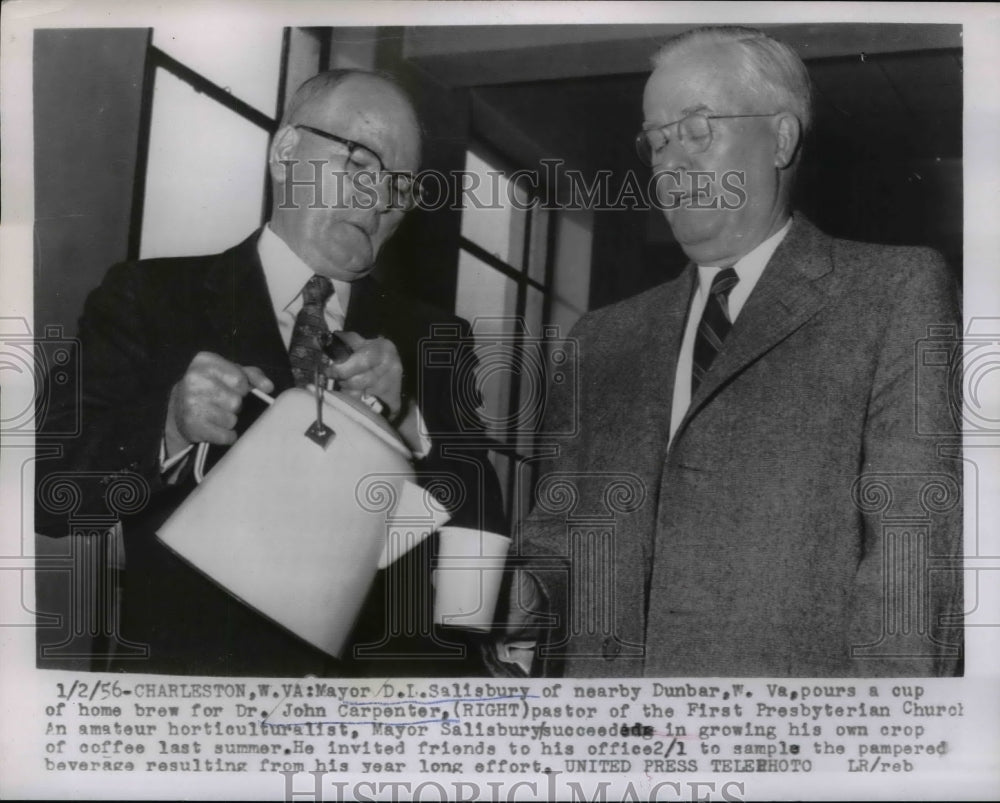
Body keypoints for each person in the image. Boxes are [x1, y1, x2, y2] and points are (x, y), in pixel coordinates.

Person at [497, 26, 963, 678]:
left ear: (780, 137)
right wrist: (522, 593)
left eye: (696, 130)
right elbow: (558, 539)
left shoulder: (892, 295)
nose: (670, 161)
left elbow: (911, 571)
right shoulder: (600, 340)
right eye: (655, 139)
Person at [35, 69, 505, 676]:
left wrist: (414, 422)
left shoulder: (436, 339)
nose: (379, 198)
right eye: (360, 161)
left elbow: (477, 567)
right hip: (198, 708)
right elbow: (49, 494)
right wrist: (170, 426)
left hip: (367, 724)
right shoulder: (150, 296)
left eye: (401, 185)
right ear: (285, 151)